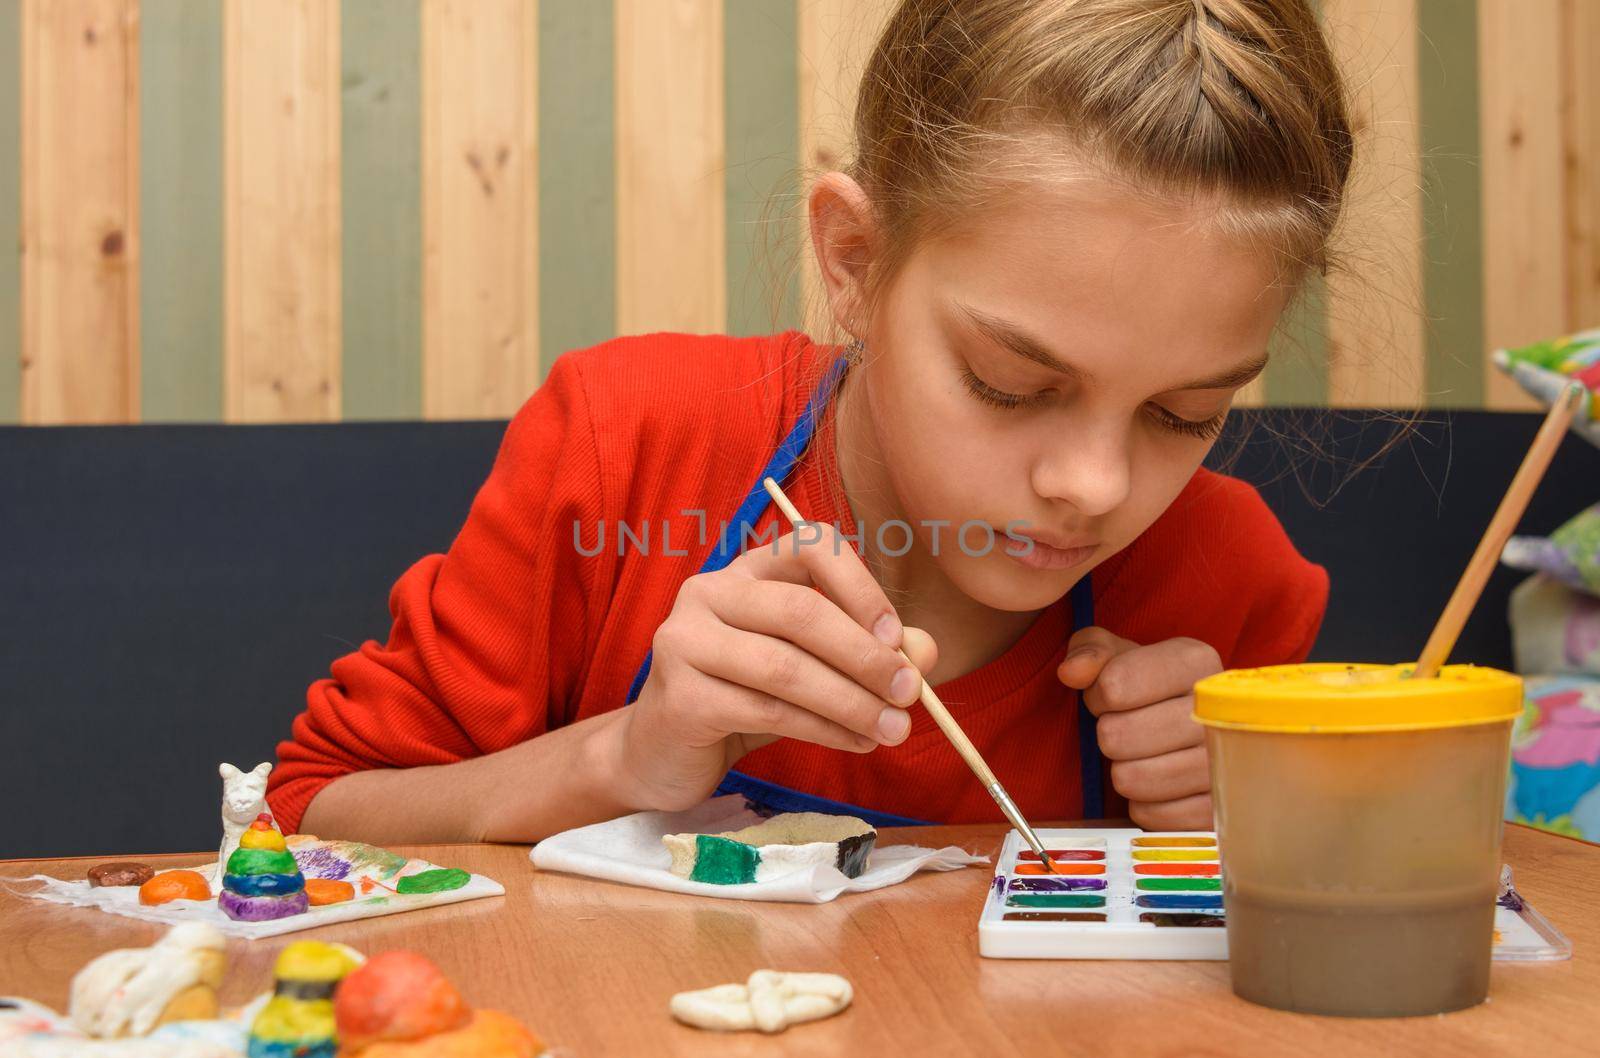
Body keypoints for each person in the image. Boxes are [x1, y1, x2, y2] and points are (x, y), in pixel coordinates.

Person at [270, 0, 1351, 842]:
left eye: (1183, 412)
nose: (1093, 484)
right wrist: (622, 762)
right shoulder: (626, 444)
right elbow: (312, 816)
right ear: (854, 263)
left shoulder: (1225, 584)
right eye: (1009, 383)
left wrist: (1238, 829)